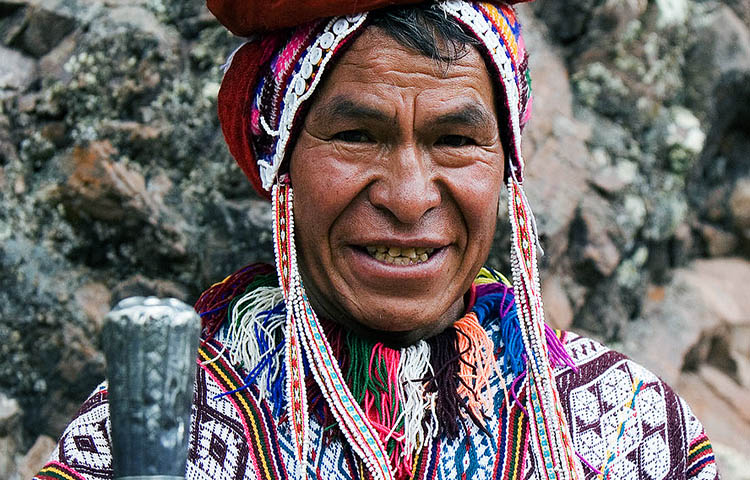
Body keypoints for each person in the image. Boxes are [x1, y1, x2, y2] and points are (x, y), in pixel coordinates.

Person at [35, 1, 720, 479]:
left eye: (455, 140)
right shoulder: (156, 434)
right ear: (282, 165)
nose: (409, 195)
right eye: (357, 136)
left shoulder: (629, 432)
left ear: (505, 168)